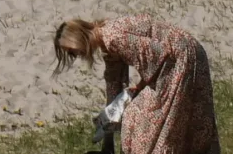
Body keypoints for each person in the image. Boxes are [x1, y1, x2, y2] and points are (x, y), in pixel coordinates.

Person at [52, 15, 220, 154]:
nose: (74, 55)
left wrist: (141, 86)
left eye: (71, 50)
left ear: (78, 38)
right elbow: (114, 84)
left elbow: (159, 53)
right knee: (145, 116)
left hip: (181, 59)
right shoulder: (108, 43)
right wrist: (108, 129)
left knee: (142, 119)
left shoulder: (114, 38)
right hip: (183, 56)